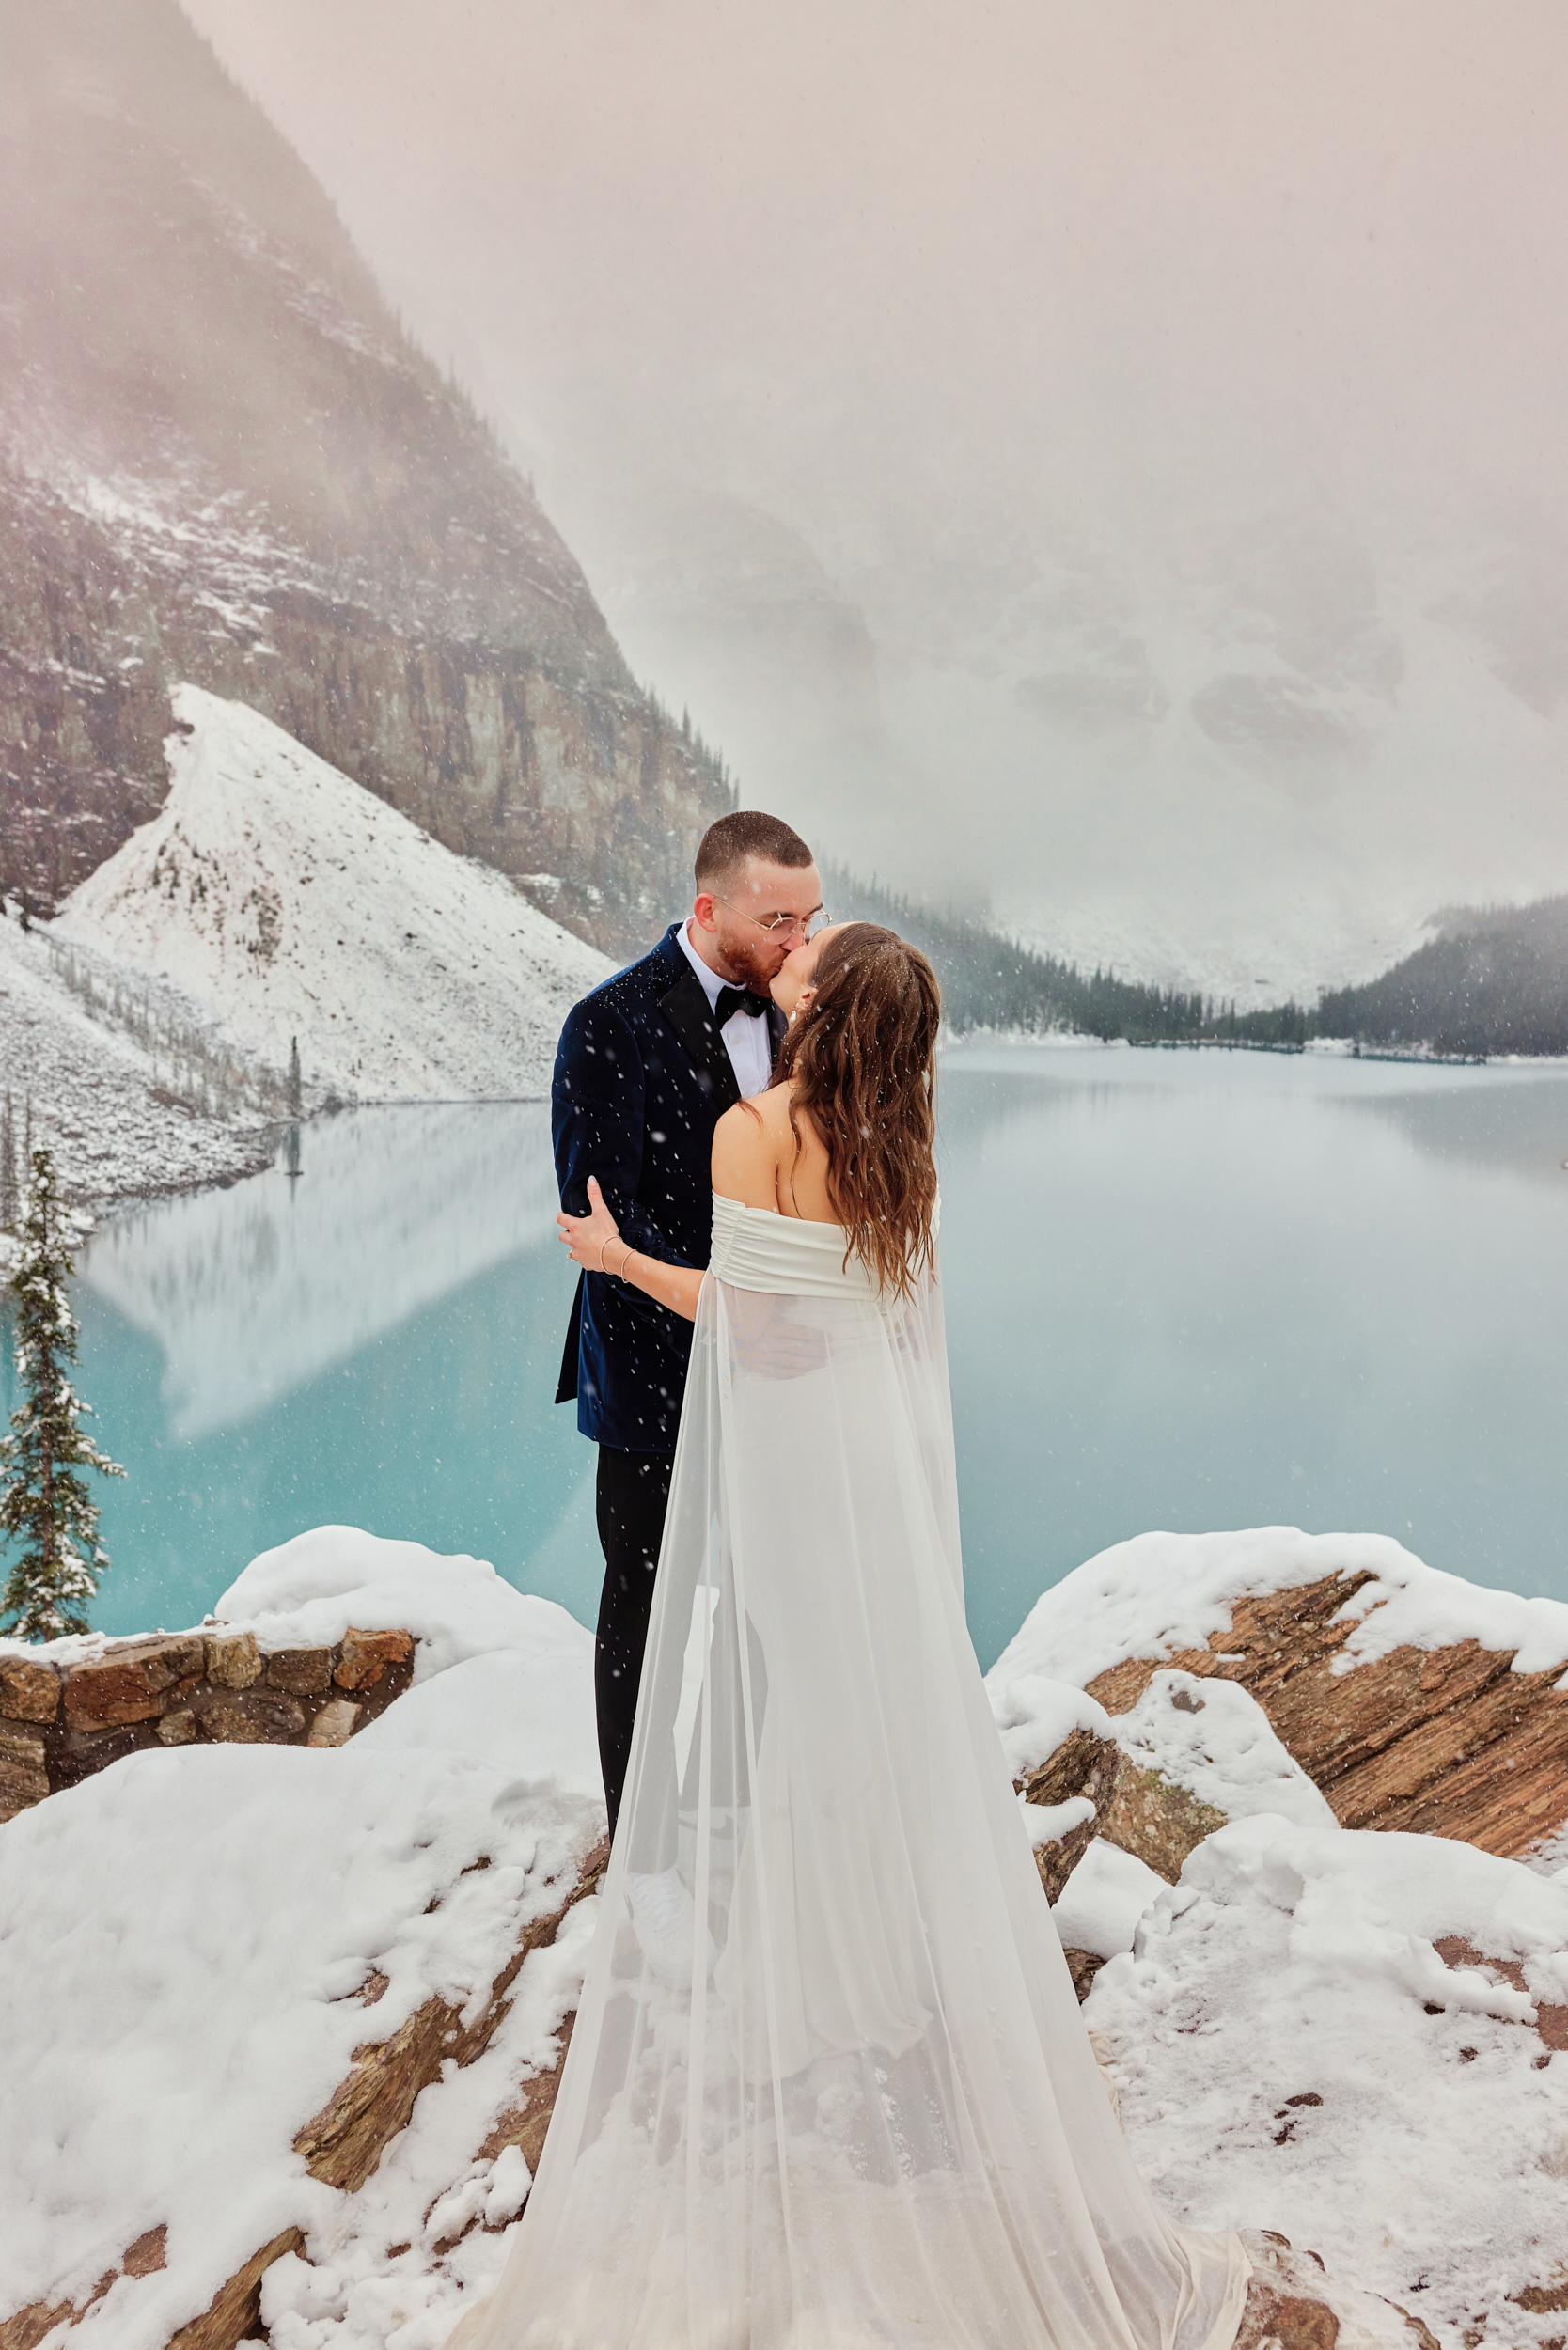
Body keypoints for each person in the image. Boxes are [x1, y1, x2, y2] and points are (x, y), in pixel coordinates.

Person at [447, 923, 1249, 2350]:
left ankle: (803, 1992)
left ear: (829, 1015)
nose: (793, 968)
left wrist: (620, 1259)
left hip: (794, 1469)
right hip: (870, 1475)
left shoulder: (754, 1131)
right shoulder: (903, 1150)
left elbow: (747, 1326)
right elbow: (856, 1315)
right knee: (862, 1702)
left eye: (814, 969)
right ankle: (883, 1968)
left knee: (800, 1693)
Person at [551, 811, 824, 1847]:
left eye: (810, 917)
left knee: (762, 1614)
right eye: (776, 919)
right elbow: (600, 1218)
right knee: (648, 1615)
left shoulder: (807, 1015)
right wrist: (734, 1319)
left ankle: (728, 1811)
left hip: (784, 1380)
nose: (798, 940)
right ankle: (646, 1851)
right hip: (656, 1378)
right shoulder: (606, 1021)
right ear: (708, 908)